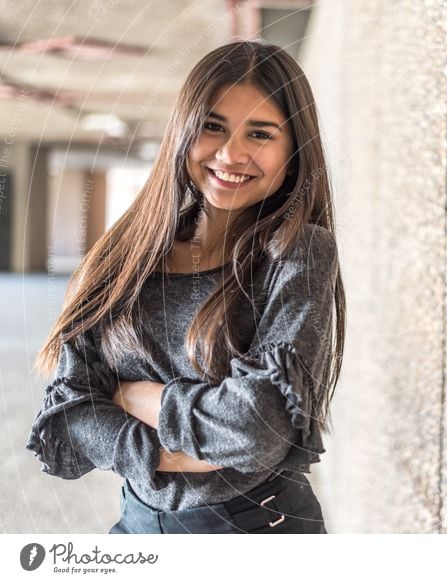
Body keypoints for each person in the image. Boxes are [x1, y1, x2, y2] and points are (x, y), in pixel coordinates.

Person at [26, 40, 346, 534]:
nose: (231, 153)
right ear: (184, 130)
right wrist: (178, 450)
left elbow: (255, 429)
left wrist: (131, 397)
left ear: (294, 151)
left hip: (256, 527)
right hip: (136, 523)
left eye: (260, 134)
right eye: (213, 126)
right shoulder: (126, 252)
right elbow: (71, 407)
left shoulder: (297, 251)